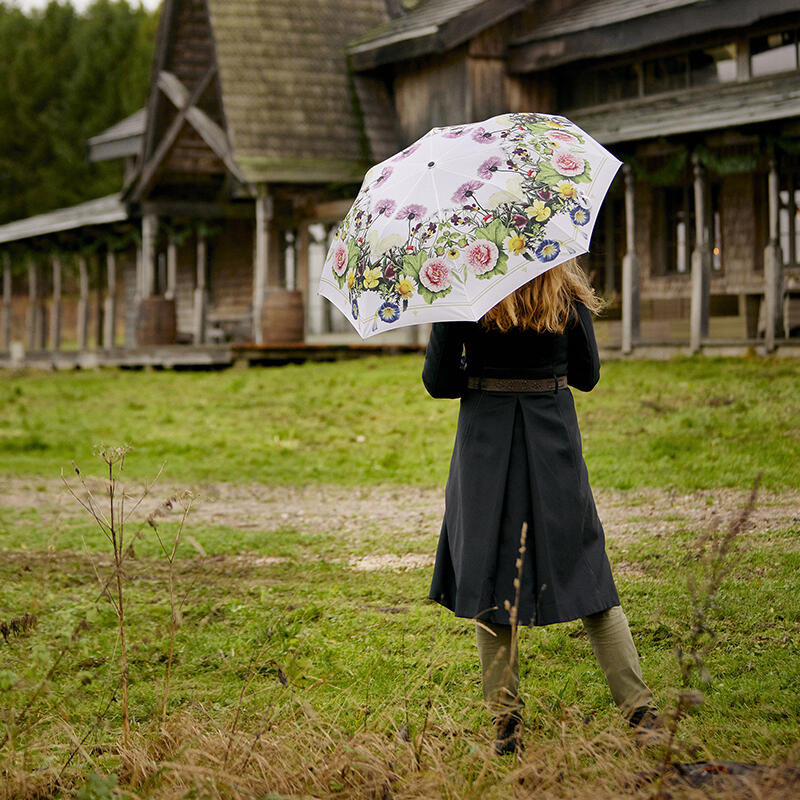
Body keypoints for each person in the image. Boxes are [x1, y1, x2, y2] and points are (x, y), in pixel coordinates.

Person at [422, 259, 657, 754]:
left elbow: (439, 382)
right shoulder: (567, 288)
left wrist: (471, 358)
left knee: (489, 578)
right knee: (588, 572)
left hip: (486, 442)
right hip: (553, 438)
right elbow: (588, 374)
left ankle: (506, 727)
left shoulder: (464, 290)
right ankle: (641, 714)